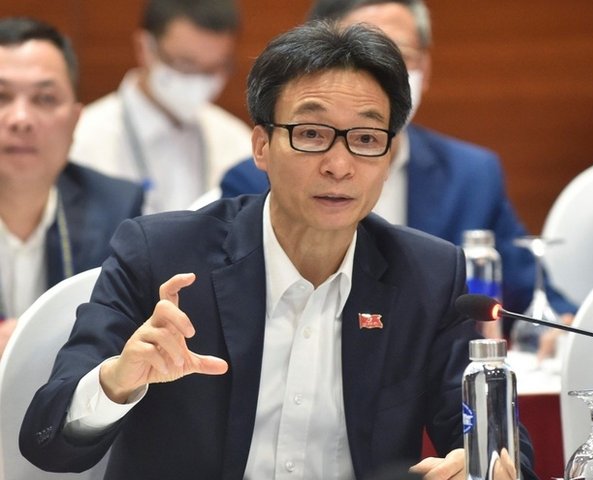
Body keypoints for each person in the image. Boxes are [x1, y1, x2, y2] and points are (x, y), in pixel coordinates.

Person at [20, 21, 536, 479]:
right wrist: (117, 382)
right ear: (261, 146)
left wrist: (485, 465)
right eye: (311, 133)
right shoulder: (162, 257)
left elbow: (499, 443)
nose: (339, 165)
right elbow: (47, 439)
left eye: (365, 138)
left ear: (389, 153)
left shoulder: (428, 275)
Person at [220, 0, 576, 353]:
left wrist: (562, 326)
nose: (339, 166)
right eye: (362, 51)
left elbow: (528, 292)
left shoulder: (472, 175)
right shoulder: (254, 178)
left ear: (425, 66)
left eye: (399, 54)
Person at [0, 17, 144, 355]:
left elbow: (119, 340)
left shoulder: (116, 210)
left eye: (45, 99)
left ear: (76, 119)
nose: (21, 119)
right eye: (2, 96)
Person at [69, 0, 252, 214]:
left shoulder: (236, 142)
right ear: (145, 48)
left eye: (215, 68)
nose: (199, 81)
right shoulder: (83, 141)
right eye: (185, 64)